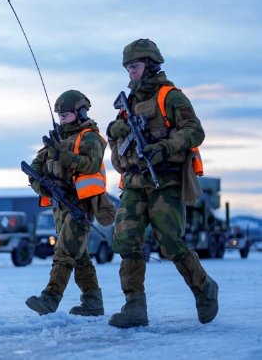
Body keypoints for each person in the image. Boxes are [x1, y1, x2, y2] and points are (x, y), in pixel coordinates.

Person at [107, 38, 219, 328]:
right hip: (133, 182)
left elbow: (195, 131)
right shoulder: (128, 103)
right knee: (126, 240)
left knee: (170, 241)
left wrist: (166, 147)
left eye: (135, 65)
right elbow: (118, 139)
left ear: (151, 64)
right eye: (128, 67)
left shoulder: (170, 96)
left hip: (165, 180)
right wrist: (116, 129)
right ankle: (134, 307)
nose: (131, 72)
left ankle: (204, 288)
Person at [26, 90, 115, 316]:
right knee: (80, 255)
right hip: (59, 205)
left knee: (65, 252)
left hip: (81, 204)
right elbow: (36, 167)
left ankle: (50, 298)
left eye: (66, 115)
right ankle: (93, 302)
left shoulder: (90, 138)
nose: (62, 119)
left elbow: (91, 164)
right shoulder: (56, 139)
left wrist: (60, 154)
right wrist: (41, 185)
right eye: (60, 116)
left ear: (81, 112)